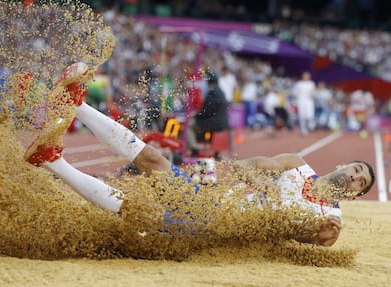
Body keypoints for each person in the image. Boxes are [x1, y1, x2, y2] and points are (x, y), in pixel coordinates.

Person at [24, 63, 375, 248]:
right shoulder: (299, 165)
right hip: (212, 196)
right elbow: (257, 164)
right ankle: (77, 103)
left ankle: (55, 161)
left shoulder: (330, 217)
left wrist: (324, 236)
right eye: (358, 169)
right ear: (343, 164)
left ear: (355, 195)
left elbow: (321, 240)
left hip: (217, 227)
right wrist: (243, 176)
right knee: (155, 162)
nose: (356, 176)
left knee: (140, 209)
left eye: (361, 183)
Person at [185, 71, 229, 157]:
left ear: (208, 82)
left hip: (214, 123)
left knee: (189, 125)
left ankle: (194, 149)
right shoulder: (220, 91)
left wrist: (195, 115)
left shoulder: (212, 92)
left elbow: (206, 111)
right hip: (222, 122)